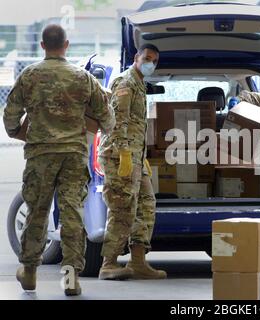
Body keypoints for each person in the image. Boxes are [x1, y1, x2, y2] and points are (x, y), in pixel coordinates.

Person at [2, 24, 115, 296]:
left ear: (42, 46)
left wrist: (20, 133)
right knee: (73, 214)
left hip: (40, 155)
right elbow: (108, 119)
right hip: (74, 156)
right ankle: (71, 277)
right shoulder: (83, 78)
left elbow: (10, 117)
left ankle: (29, 272)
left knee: (37, 212)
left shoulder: (29, 76)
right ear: (66, 45)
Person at [98, 43, 166, 280]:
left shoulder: (139, 84)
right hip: (118, 155)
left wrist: (141, 156)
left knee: (146, 203)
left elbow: (137, 126)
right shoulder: (125, 82)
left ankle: (138, 261)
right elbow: (117, 123)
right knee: (122, 208)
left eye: (155, 61)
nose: (151, 64)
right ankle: (109, 263)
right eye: (147, 58)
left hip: (134, 155)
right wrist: (125, 154)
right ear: (137, 57)